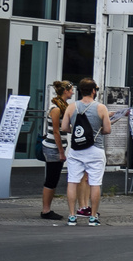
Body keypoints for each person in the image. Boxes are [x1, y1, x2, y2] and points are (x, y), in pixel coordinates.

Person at [62, 79, 112, 225]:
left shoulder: (71, 107)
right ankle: (93, 217)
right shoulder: (101, 108)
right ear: (93, 91)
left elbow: (64, 128)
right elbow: (107, 130)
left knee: (72, 181)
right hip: (95, 150)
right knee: (95, 183)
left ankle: (72, 216)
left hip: (76, 150)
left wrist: (80, 132)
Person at [39, 80, 71, 221]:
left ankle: (46, 209)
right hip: (53, 148)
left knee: (53, 179)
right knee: (51, 179)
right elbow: (56, 132)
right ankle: (46, 210)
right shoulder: (57, 109)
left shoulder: (60, 106)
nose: (73, 92)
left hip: (55, 147)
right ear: (65, 91)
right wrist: (61, 152)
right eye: (71, 90)